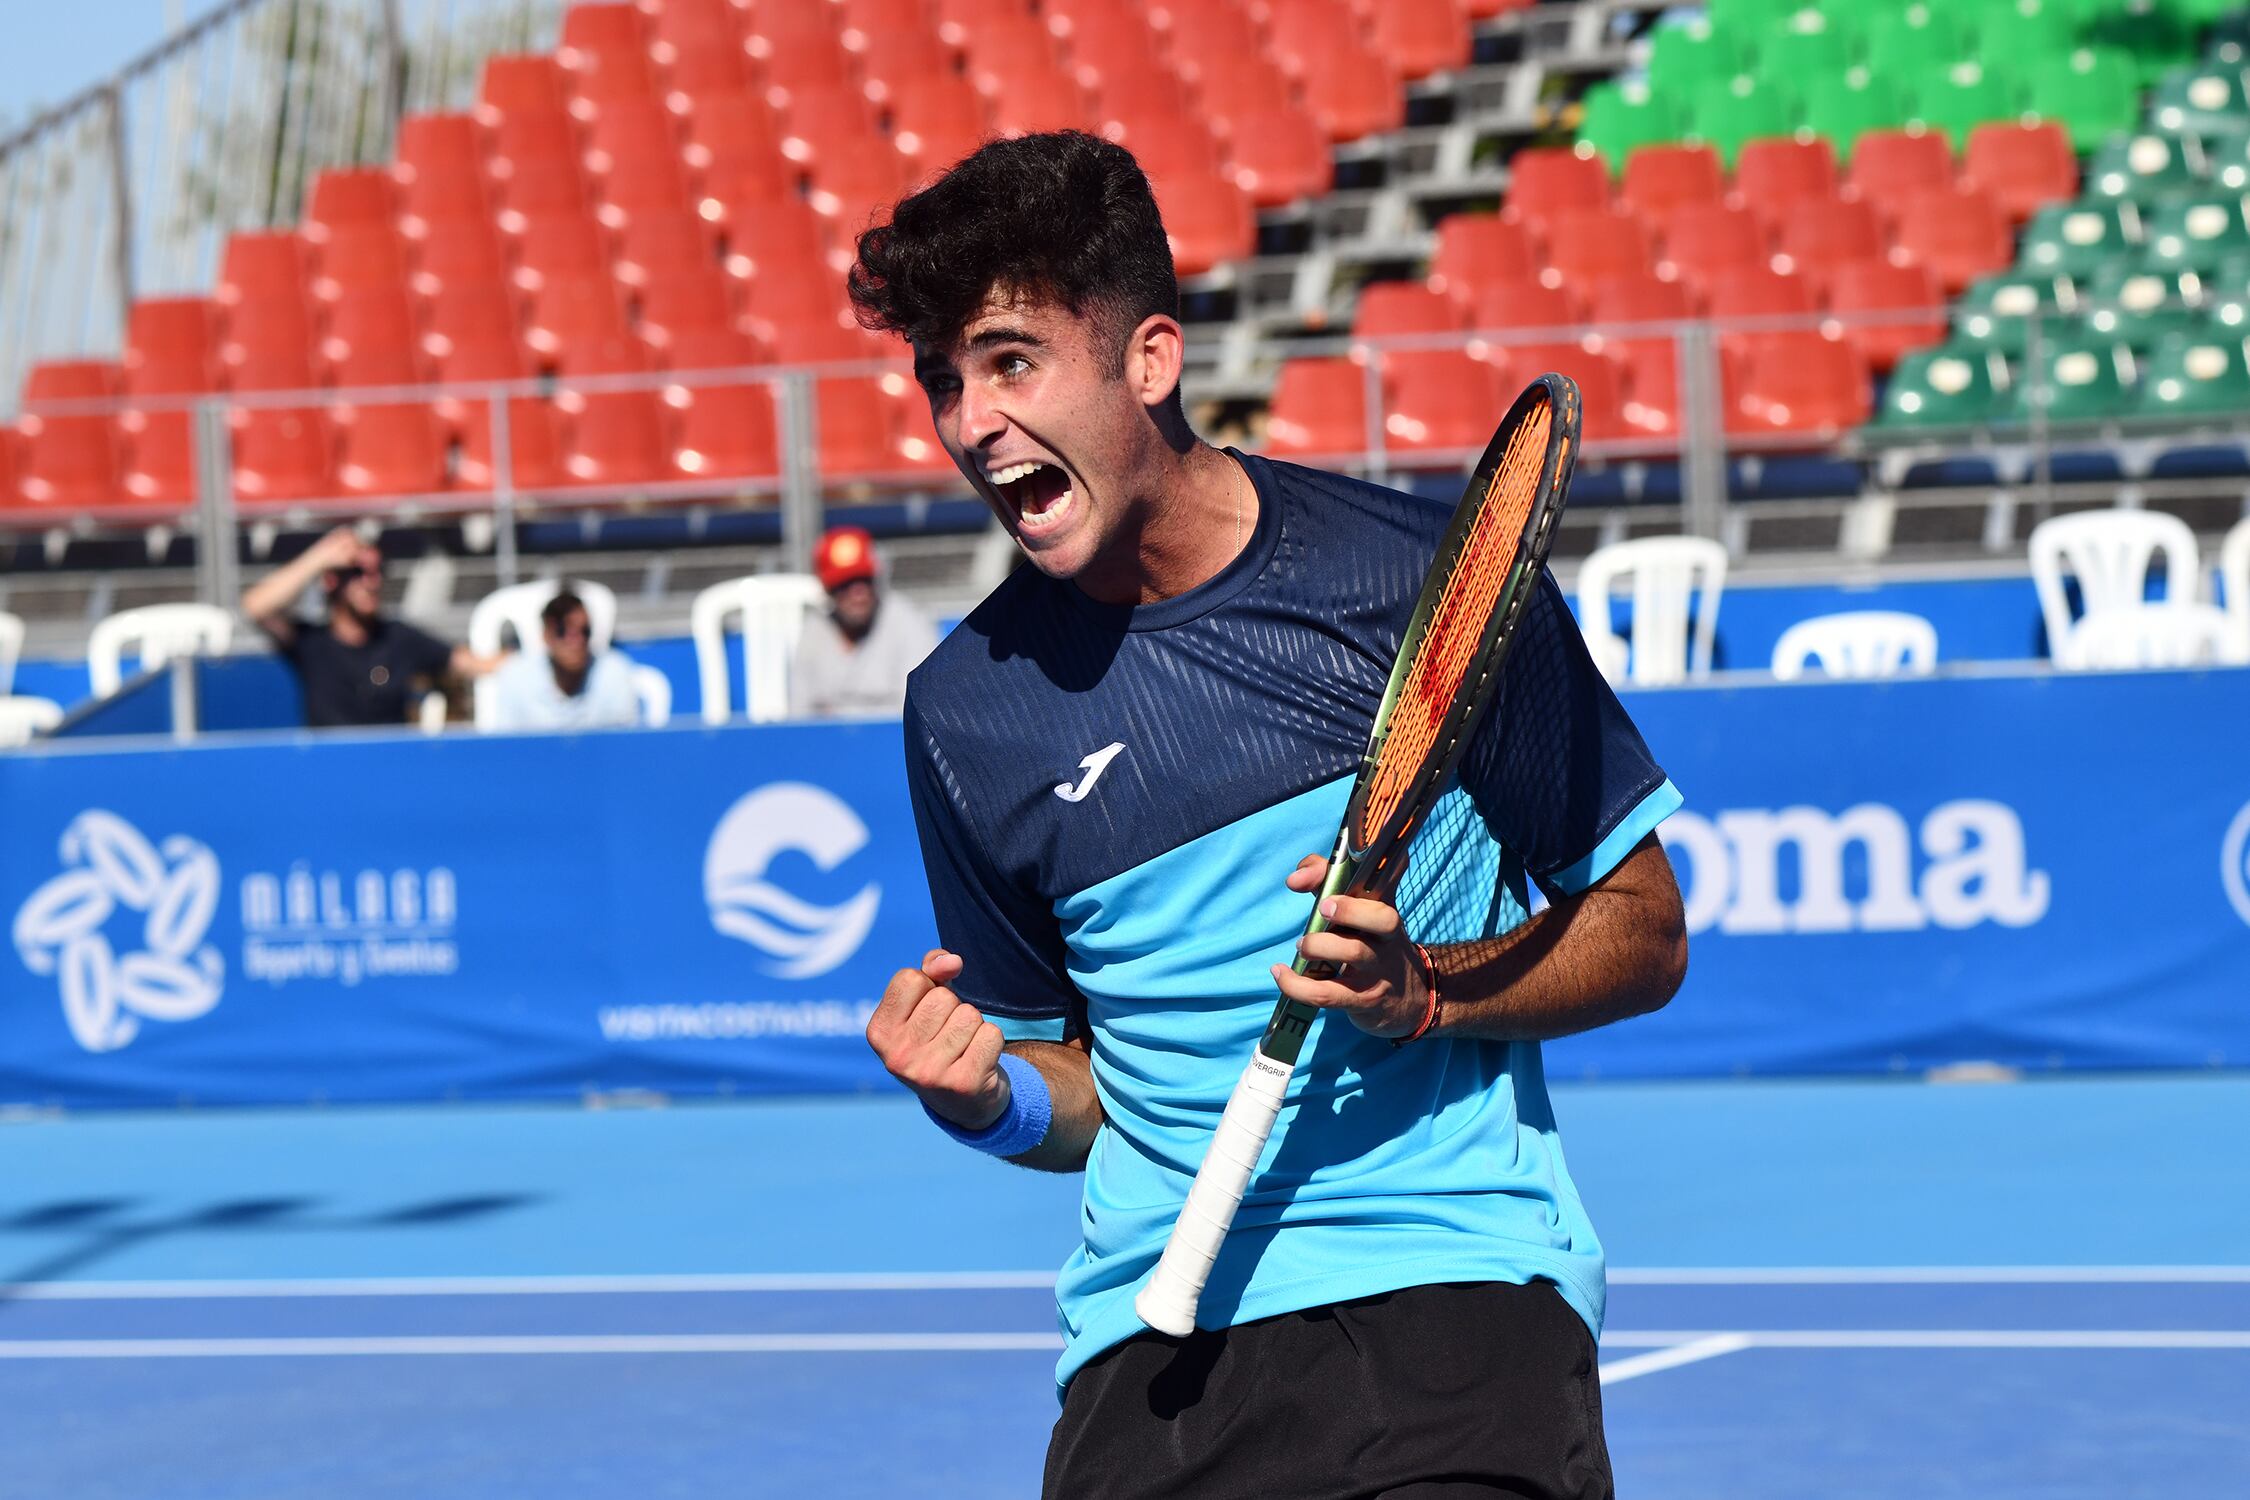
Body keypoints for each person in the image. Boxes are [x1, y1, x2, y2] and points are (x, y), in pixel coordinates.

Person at [854, 132, 1689, 1500]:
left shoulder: (1421, 589)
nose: (970, 422)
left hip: (1449, 1285)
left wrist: (1427, 992)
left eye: (1010, 362)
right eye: (943, 382)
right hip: (1153, 1341)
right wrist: (989, 1101)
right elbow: (1086, 1097)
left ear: (1149, 360)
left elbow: (1644, 932)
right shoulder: (966, 711)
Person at [241, 526, 495, 728]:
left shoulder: (398, 638)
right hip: (329, 766)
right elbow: (255, 606)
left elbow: (472, 663)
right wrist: (319, 558)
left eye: (377, 571)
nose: (372, 582)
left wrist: (515, 661)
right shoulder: (311, 642)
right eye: (358, 572)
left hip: (390, 766)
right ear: (331, 580)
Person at [787, 524, 939, 719]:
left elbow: (919, 714)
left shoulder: (910, 624)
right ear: (828, 590)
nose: (858, 594)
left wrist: (839, 714)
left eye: (865, 580)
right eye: (845, 584)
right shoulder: (814, 630)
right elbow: (799, 716)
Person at [484, 590, 643, 731]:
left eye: (584, 631)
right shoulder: (515, 675)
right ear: (546, 635)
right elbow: (507, 746)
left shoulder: (616, 671)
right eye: (562, 631)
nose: (576, 640)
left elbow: (623, 742)